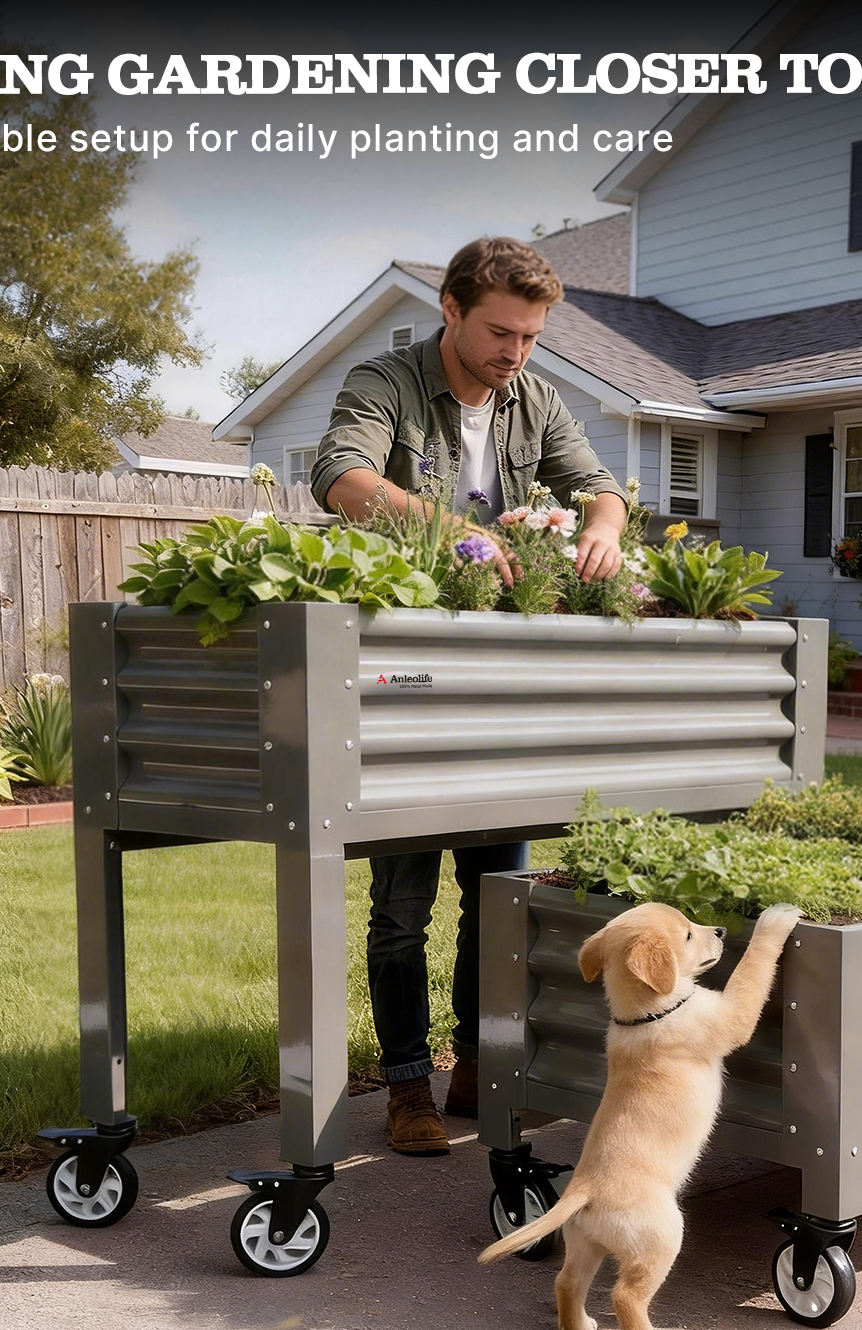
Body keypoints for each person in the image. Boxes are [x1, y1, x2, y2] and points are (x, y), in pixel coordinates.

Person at [312, 236, 628, 1155]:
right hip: (406, 678)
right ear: (450, 308)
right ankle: (406, 1087)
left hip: (500, 688)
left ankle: (478, 1071)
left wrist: (602, 530)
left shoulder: (536, 397)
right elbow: (343, 478)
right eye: (500, 332)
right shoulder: (387, 380)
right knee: (402, 902)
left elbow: (600, 490)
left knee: (499, 895)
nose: (515, 354)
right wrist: (461, 535)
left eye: (531, 337)